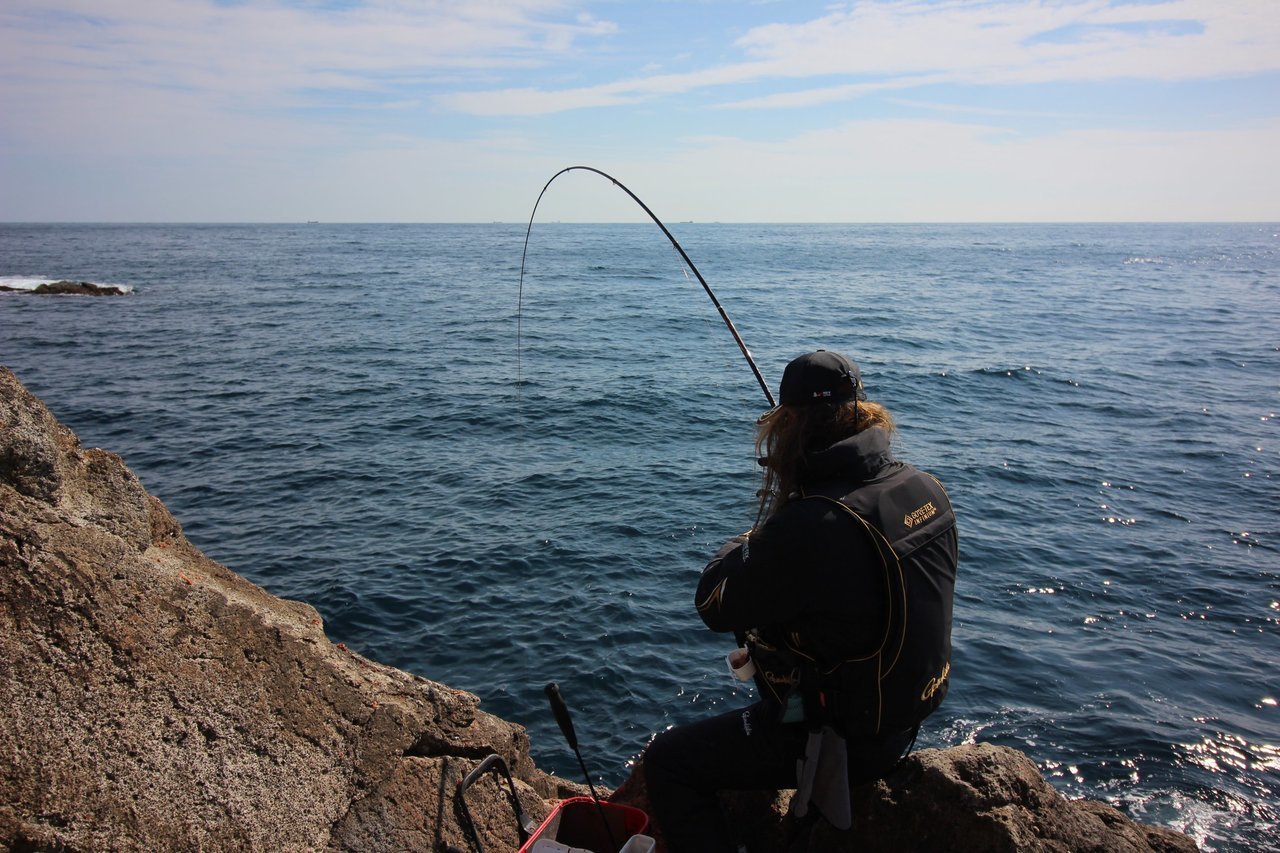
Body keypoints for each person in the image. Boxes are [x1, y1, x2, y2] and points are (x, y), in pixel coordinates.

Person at [643, 350, 958, 852]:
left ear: (791, 425)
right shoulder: (924, 487)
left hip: (847, 738)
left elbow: (715, 603)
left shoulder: (813, 524)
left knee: (669, 762)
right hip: (905, 717)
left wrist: (755, 538)